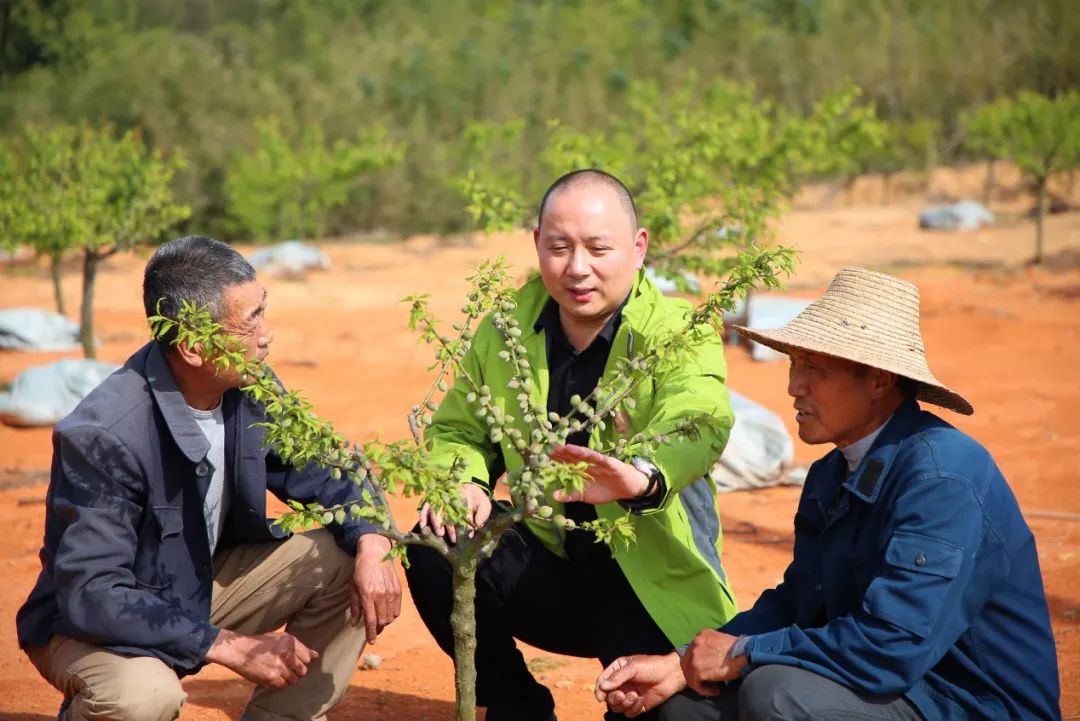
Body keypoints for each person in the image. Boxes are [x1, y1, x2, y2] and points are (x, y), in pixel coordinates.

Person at [594, 266, 1061, 720]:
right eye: (795, 363)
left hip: (963, 700)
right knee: (680, 706)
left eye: (814, 368)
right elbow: (801, 601)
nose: (794, 386)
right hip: (885, 687)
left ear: (879, 379)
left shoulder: (943, 479)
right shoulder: (830, 474)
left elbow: (891, 646)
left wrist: (742, 652)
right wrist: (682, 665)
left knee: (777, 695)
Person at [16, 235, 402, 721]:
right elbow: (93, 593)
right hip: (94, 622)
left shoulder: (249, 383)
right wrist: (227, 645)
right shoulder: (104, 436)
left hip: (191, 583)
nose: (268, 335)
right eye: (251, 321)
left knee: (347, 555)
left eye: (264, 310)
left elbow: (328, 471)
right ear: (195, 347)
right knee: (142, 700)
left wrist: (372, 540)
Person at [404, 169, 738, 721]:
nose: (577, 268)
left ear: (638, 247)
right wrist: (464, 477)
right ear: (537, 244)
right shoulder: (507, 329)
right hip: (549, 563)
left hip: (649, 582)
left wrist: (644, 476)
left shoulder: (679, 330)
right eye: (559, 247)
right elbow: (458, 428)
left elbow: (699, 417)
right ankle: (518, 706)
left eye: (598, 248)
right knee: (436, 543)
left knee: (668, 714)